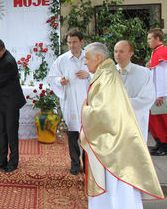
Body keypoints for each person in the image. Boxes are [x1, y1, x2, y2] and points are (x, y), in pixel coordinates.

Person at [80, 42, 164, 208]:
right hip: (115, 136)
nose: (84, 62)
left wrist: (85, 108)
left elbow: (105, 110)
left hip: (114, 142)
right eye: (115, 51)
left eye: (87, 58)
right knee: (119, 183)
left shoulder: (107, 76)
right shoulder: (106, 73)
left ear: (98, 58)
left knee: (117, 184)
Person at [47, 30, 90, 175]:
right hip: (71, 100)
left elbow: (101, 74)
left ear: (82, 42)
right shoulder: (62, 59)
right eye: (69, 42)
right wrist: (61, 81)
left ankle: (88, 163)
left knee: (88, 133)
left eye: (75, 42)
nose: (72, 45)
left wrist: (89, 74)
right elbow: (52, 77)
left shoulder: (89, 57)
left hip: (87, 101)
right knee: (73, 134)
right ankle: (75, 163)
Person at [0, 38, 26, 173]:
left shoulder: (8, 62)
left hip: (11, 102)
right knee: (0, 131)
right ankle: (1, 160)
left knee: (11, 132)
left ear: (3, 50)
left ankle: (13, 162)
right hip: (2, 101)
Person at [114, 40, 155, 142]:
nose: (118, 54)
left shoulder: (144, 73)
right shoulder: (109, 73)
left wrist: (122, 102)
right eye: (115, 51)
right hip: (114, 122)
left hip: (136, 121)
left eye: (121, 51)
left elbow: (148, 98)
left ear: (131, 53)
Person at [147, 28, 167, 156]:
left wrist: (160, 94)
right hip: (157, 93)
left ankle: (164, 145)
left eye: (150, 38)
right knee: (154, 119)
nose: (148, 41)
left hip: (161, 95)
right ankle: (159, 143)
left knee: (160, 119)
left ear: (157, 39)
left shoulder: (161, 52)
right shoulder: (156, 52)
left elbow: (162, 75)